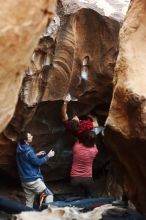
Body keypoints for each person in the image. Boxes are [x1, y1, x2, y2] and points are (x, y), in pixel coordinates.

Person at [16, 132, 55, 208]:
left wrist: (36, 155)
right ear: (25, 140)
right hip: (33, 180)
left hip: (24, 180)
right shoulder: (29, 151)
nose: (32, 136)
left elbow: (25, 158)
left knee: (29, 203)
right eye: (30, 136)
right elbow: (38, 162)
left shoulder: (19, 148)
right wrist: (48, 156)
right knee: (49, 195)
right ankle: (49, 214)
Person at [70, 130, 98, 197]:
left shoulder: (76, 147)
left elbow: (77, 138)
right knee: (88, 196)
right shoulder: (94, 150)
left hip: (75, 178)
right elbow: (94, 144)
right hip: (87, 179)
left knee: (75, 197)